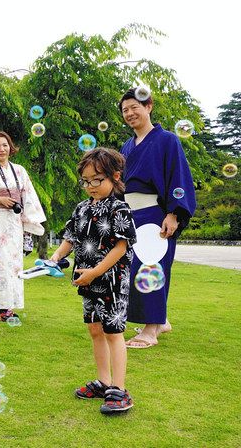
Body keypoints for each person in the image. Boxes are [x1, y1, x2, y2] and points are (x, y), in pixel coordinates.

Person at [50, 147, 137, 414]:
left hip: (112, 281)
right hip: (87, 280)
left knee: (113, 332)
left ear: (115, 176)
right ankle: (103, 382)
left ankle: (120, 391)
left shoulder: (119, 208)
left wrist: (95, 271)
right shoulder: (81, 208)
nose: (90, 186)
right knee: (95, 330)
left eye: (97, 180)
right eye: (86, 181)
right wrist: (54, 257)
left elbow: (121, 247)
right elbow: (70, 239)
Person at [119, 88, 196, 348]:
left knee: (150, 266)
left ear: (149, 106)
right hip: (132, 215)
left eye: (134, 107)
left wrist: (174, 213)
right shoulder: (127, 146)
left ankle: (151, 330)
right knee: (134, 269)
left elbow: (179, 177)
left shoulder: (167, 140)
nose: (129, 113)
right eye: (125, 110)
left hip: (156, 214)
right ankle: (160, 321)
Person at [0, 131, 46, 322]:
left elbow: (28, 196)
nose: (1, 149)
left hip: (15, 222)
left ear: (10, 147)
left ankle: (9, 307)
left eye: (4, 145)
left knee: (14, 265)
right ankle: (0, 308)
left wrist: (29, 221)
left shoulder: (20, 170)